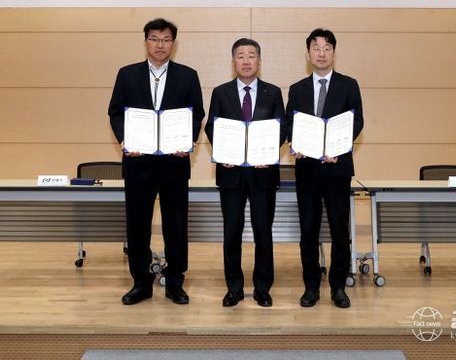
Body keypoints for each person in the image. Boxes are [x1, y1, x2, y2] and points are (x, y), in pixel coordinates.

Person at [108, 18, 205, 306]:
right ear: (146, 42)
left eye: (165, 39)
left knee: (176, 225)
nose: (160, 45)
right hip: (138, 163)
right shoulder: (127, 74)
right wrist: (125, 139)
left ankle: (175, 282)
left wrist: (187, 141)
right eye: (154, 39)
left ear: (173, 43)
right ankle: (141, 283)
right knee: (137, 225)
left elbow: (197, 114)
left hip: (174, 163)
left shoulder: (188, 76)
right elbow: (115, 112)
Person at [285, 28, 364, 308]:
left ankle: (338, 287)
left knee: (340, 231)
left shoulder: (349, 85)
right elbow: (289, 124)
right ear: (308, 54)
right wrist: (294, 142)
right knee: (308, 231)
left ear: (334, 53)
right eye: (316, 48)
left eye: (327, 48)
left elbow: (357, 122)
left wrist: (338, 147)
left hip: (337, 169)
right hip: (307, 170)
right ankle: (311, 287)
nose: (321, 53)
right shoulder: (297, 89)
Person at [205, 38, 286, 308]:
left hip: (263, 173)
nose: (246, 61)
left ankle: (262, 288)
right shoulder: (221, 92)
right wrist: (223, 152)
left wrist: (269, 152)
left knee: (263, 231)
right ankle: (234, 288)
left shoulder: (273, 92)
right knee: (232, 232)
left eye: (251, 55)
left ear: (259, 61)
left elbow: (282, 128)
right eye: (241, 56)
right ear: (233, 62)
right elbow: (211, 127)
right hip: (231, 173)